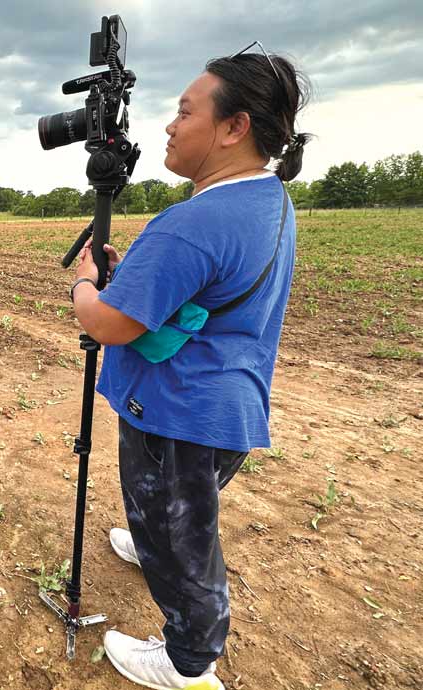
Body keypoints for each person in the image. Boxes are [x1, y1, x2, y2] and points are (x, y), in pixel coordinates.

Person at [69, 46, 311, 690]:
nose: (171, 127)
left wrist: (85, 287)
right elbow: (203, 288)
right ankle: (151, 537)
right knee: (176, 515)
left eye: (184, 112)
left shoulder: (194, 221)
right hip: (228, 408)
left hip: (178, 415)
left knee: (184, 547)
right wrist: (136, 281)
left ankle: (189, 665)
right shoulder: (269, 201)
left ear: (235, 128)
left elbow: (111, 324)